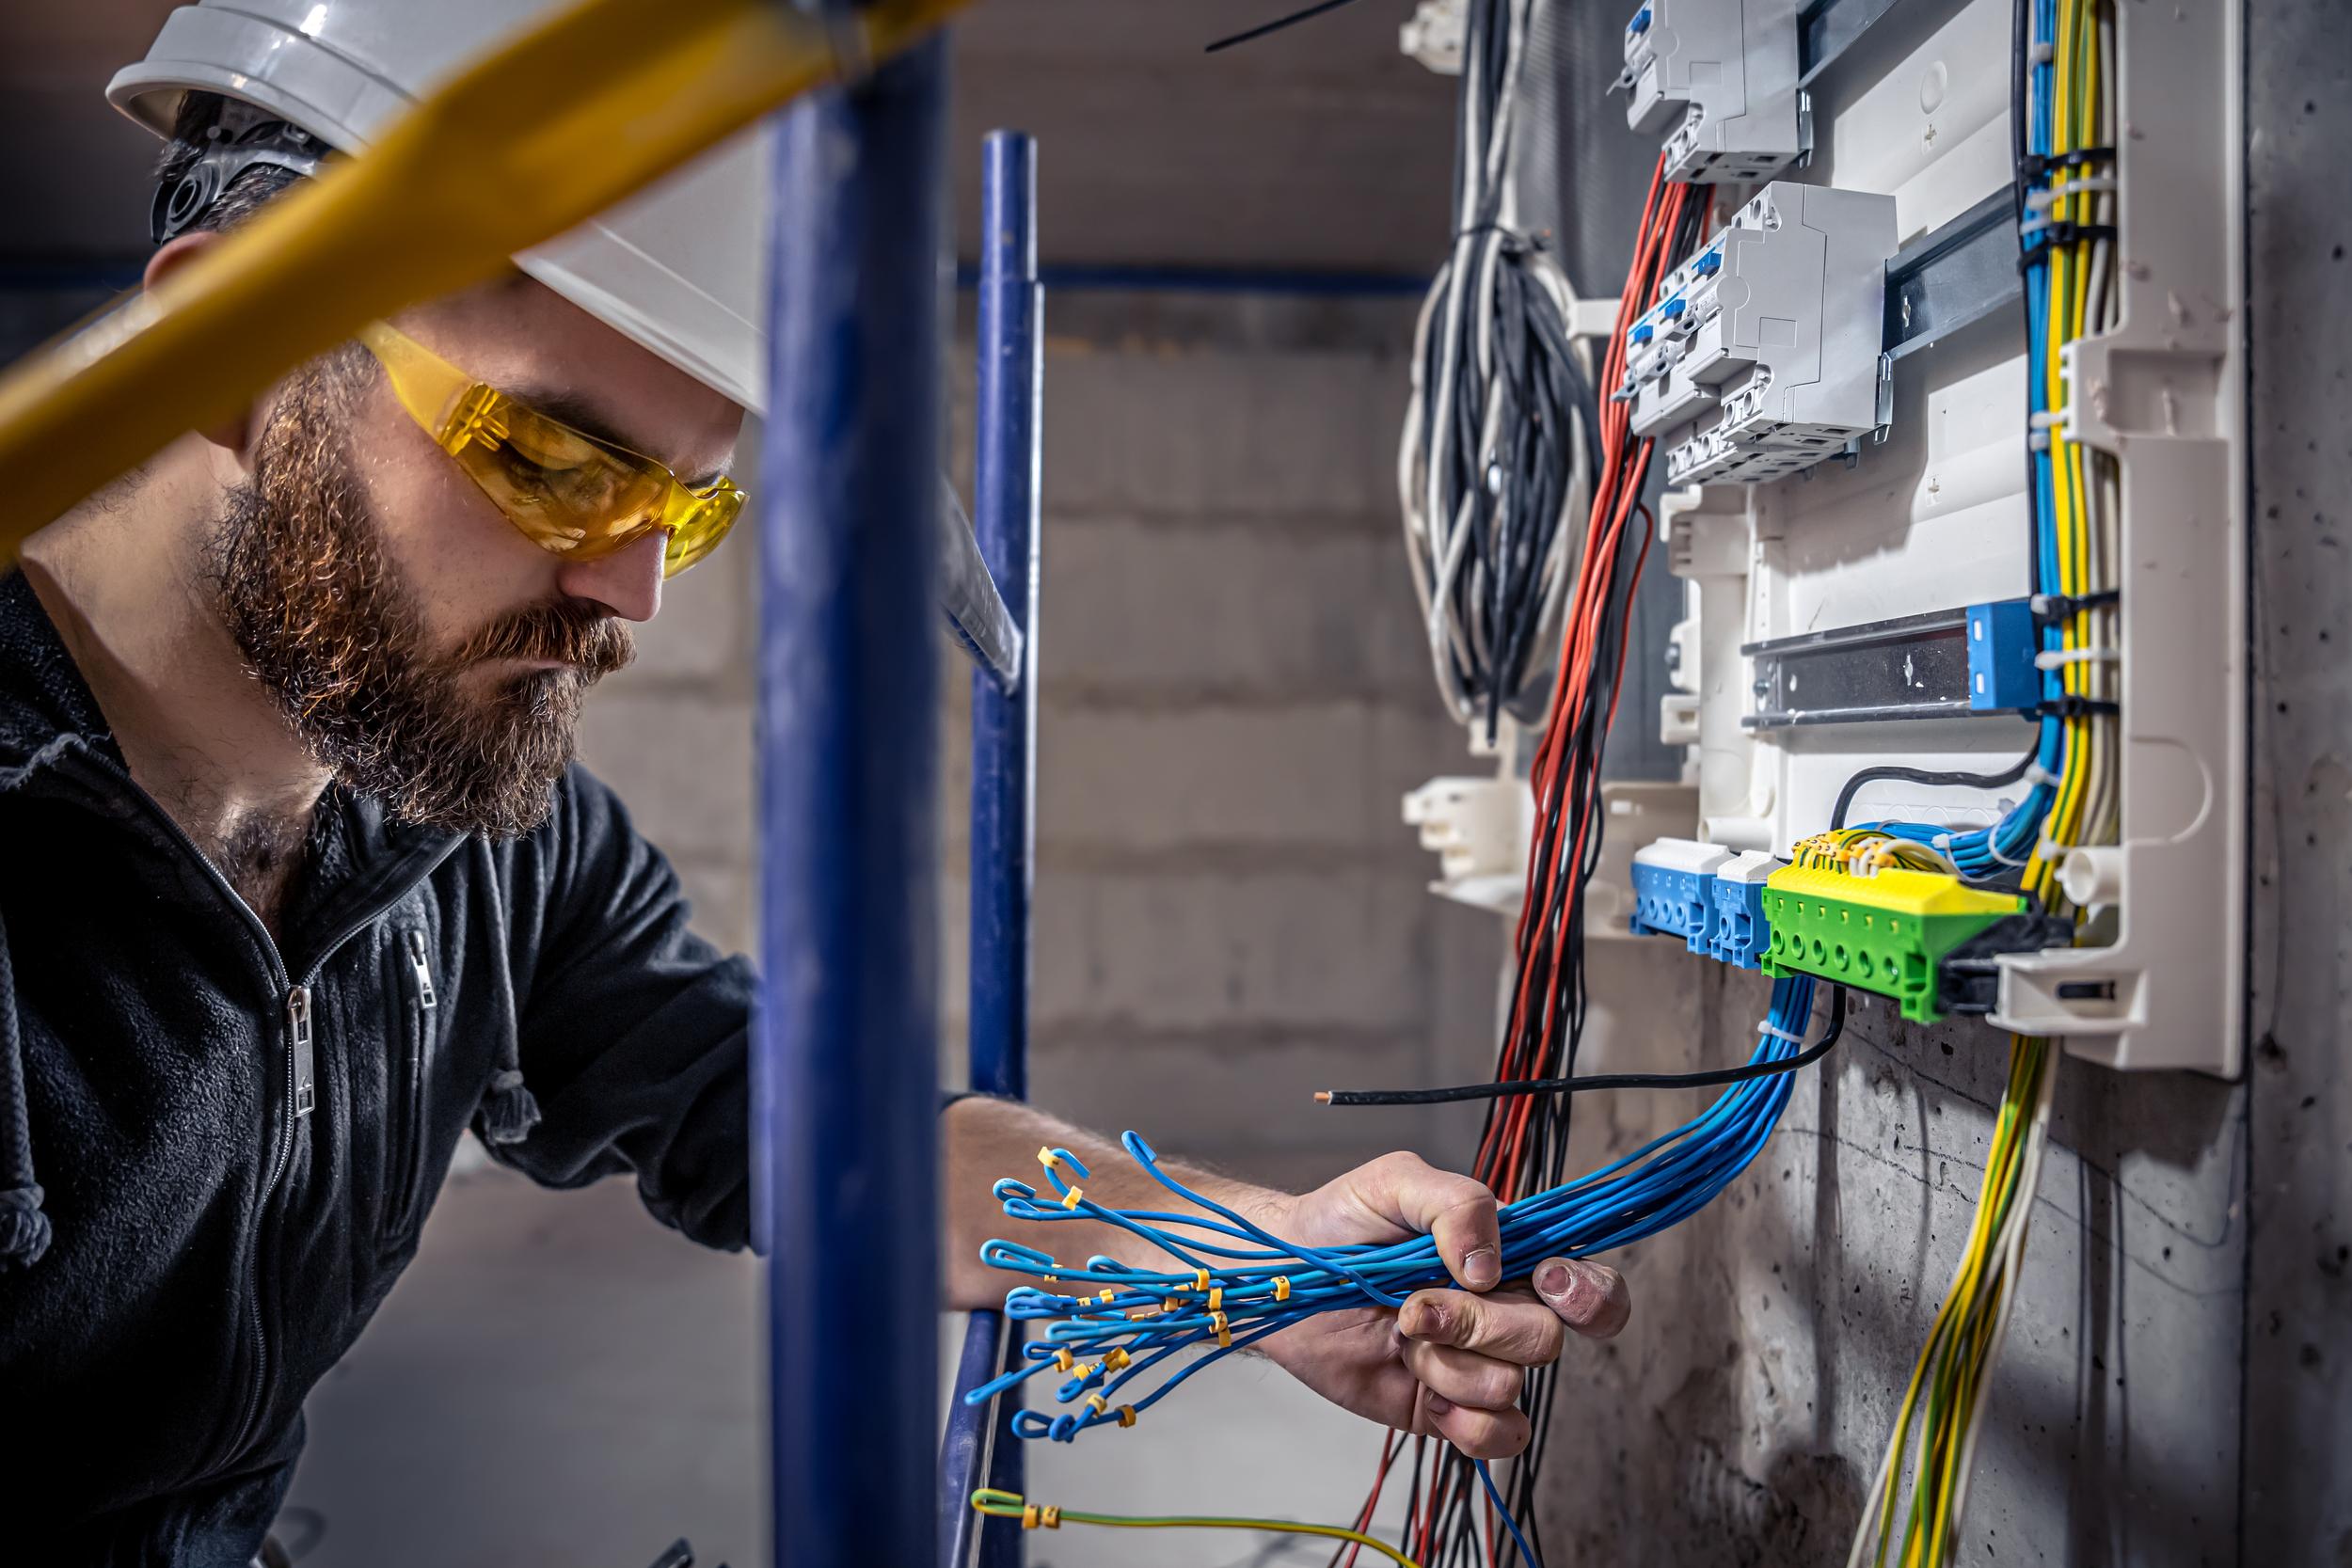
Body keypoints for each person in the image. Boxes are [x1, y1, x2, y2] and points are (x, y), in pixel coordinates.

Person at [0, 3, 1631, 1560]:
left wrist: (1243, 1253)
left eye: (685, 510)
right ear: (240, 356)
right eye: (555, 463)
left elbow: (771, 1112)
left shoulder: (453, 818)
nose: (633, 593)